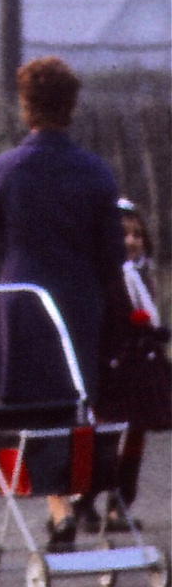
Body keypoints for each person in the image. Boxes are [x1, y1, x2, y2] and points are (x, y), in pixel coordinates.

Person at [0, 57, 125, 551]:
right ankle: (66, 504)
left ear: (26, 108)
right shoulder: (95, 172)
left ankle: (59, 509)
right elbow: (112, 257)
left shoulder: (6, 170)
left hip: (23, 306)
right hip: (79, 306)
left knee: (29, 414)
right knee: (73, 407)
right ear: (72, 108)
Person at [89, 198, 170, 531]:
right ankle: (86, 498)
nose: (132, 241)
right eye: (123, 234)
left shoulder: (141, 275)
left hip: (138, 365)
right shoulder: (106, 277)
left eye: (137, 234)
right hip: (112, 365)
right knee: (106, 430)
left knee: (136, 429)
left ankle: (120, 501)